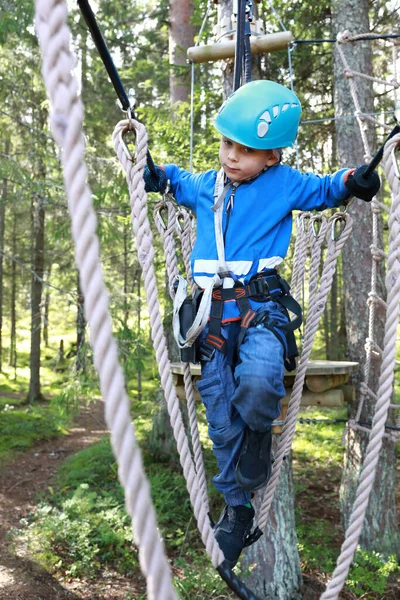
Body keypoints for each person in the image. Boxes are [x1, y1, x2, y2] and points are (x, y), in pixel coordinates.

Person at [143, 79, 380, 568]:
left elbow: (328, 188)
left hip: (260, 310)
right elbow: (173, 178)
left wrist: (355, 179)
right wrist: (152, 172)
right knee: (220, 416)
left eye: (246, 150)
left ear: (270, 156)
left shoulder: (284, 182)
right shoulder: (206, 186)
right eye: (228, 144)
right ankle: (238, 507)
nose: (232, 157)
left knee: (258, 379)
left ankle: (256, 441)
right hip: (210, 317)